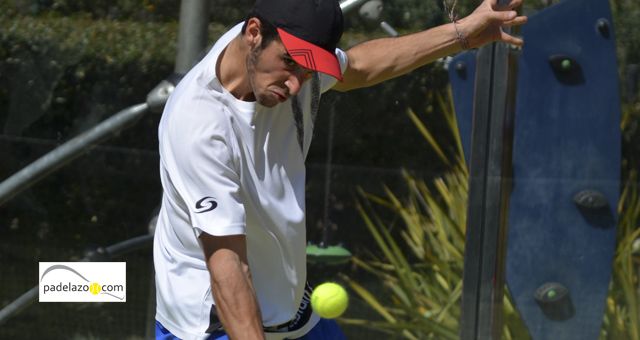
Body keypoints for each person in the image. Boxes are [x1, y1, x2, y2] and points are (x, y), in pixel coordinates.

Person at [152, 0, 527, 339]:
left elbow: (360, 67)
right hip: (211, 319)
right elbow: (228, 266)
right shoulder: (198, 126)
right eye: (289, 63)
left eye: (310, 70)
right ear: (253, 33)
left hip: (288, 304)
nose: (297, 83)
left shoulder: (275, 48)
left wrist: (463, 33)